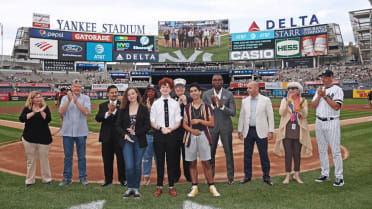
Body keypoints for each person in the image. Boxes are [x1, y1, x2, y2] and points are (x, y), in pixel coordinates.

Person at [183, 83, 220, 197]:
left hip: (203, 135)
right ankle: (194, 187)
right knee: (192, 162)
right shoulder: (187, 107)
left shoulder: (207, 107)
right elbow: (184, 124)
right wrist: (192, 131)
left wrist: (200, 121)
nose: (193, 93)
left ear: (200, 92)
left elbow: (212, 123)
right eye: (191, 91)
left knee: (206, 162)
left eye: (195, 90)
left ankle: (211, 186)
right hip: (190, 135)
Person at [310, 70, 344, 187]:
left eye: (325, 77)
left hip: (332, 122)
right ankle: (325, 174)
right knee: (322, 150)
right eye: (322, 77)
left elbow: (336, 107)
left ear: (331, 78)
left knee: (335, 151)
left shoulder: (337, 90)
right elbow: (313, 106)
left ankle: (339, 177)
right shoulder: (319, 90)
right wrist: (319, 96)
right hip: (319, 121)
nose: (323, 79)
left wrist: (324, 96)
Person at [273, 82, 312, 184]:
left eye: (293, 88)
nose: (291, 90)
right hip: (287, 128)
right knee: (288, 154)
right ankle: (287, 176)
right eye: (289, 88)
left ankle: (297, 175)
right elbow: (281, 113)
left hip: (298, 129)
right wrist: (287, 103)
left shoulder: (303, 101)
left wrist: (300, 111)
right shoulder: (284, 100)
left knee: (297, 154)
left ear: (298, 90)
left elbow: (305, 115)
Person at [237, 81, 274, 186]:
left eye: (250, 88)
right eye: (248, 88)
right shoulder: (245, 101)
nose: (248, 90)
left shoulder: (266, 100)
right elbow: (242, 116)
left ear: (256, 88)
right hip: (248, 131)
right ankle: (247, 176)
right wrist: (240, 130)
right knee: (247, 155)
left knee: (264, 155)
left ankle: (266, 177)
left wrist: (271, 131)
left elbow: (270, 116)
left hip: (261, 131)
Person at [116, 87, 150, 199]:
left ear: (137, 95)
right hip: (127, 139)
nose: (131, 96)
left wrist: (136, 132)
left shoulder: (143, 108)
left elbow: (147, 126)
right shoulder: (123, 109)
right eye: (129, 94)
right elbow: (118, 126)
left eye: (133, 93)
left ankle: (136, 189)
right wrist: (125, 135)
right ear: (127, 96)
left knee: (137, 165)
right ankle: (130, 188)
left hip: (139, 138)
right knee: (129, 165)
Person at [202, 74, 236, 184]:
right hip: (211, 127)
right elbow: (203, 112)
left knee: (228, 153)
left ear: (222, 82)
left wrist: (221, 106)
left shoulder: (229, 94)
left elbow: (233, 112)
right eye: (215, 80)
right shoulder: (206, 94)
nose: (217, 82)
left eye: (219, 80)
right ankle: (210, 177)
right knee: (210, 153)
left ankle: (230, 177)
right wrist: (212, 105)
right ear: (212, 82)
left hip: (226, 127)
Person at [150, 78, 182, 197]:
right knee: (160, 162)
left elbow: (178, 120)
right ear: (160, 88)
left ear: (171, 89)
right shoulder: (156, 103)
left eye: (167, 87)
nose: (165, 89)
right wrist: (160, 128)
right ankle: (159, 186)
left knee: (171, 161)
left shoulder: (175, 103)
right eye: (163, 87)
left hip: (171, 134)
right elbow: (152, 121)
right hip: (159, 134)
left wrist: (170, 129)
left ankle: (171, 186)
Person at [59, 79, 91, 186]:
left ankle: (83, 177)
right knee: (68, 156)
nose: (77, 88)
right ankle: (67, 178)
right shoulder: (64, 98)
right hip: (67, 132)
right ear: (71, 87)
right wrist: (69, 100)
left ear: (81, 88)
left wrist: (76, 102)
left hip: (81, 131)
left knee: (81, 156)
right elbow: (61, 111)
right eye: (75, 86)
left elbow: (86, 112)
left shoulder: (86, 98)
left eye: (79, 87)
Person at [19, 91, 52, 187]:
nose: (38, 99)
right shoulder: (27, 108)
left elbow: (48, 120)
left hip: (44, 138)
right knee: (30, 161)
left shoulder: (45, 108)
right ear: (32, 99)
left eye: (39, 97)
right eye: (36, 97)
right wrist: (34, 112)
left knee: (44, 160)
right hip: (29, 138)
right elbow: (22, 119)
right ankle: (29, 181)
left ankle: (47, 179)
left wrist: (41, 111)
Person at [95, 85, 126, 187]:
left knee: (121, 160)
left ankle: (123, 179)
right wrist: (108, 112)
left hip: (119, 137)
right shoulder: (103, 105)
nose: (114, 94)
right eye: (112, 92)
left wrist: (115, 111)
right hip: (106, 137)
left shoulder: (123, 105)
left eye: (116, 92)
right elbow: (98, 118)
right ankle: (108, 180)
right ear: (108, 94)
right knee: (107, 160)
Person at [172, 78, 192, 183]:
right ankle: (176, 176)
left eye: (181, 87)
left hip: (186, 132)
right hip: (174, 132)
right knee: (175, 155)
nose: (179, 89)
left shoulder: (190, 99)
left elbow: (192, 115)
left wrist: (185, 104)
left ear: (184, 88)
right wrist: (178, 105)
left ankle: (188, 176)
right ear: (174, 89)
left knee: (187, 155)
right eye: (177, 87)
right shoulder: (170, 99)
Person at [142, 84, 159, 185]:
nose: (150, 92)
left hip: (158, 134)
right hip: (147, 134)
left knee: (159, 157)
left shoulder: (160, 102)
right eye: (149, 91)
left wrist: (150, 109)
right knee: (146, 157)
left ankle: (160, 177)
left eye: (152, 91)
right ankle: (146, 177)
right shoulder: (142, 103)